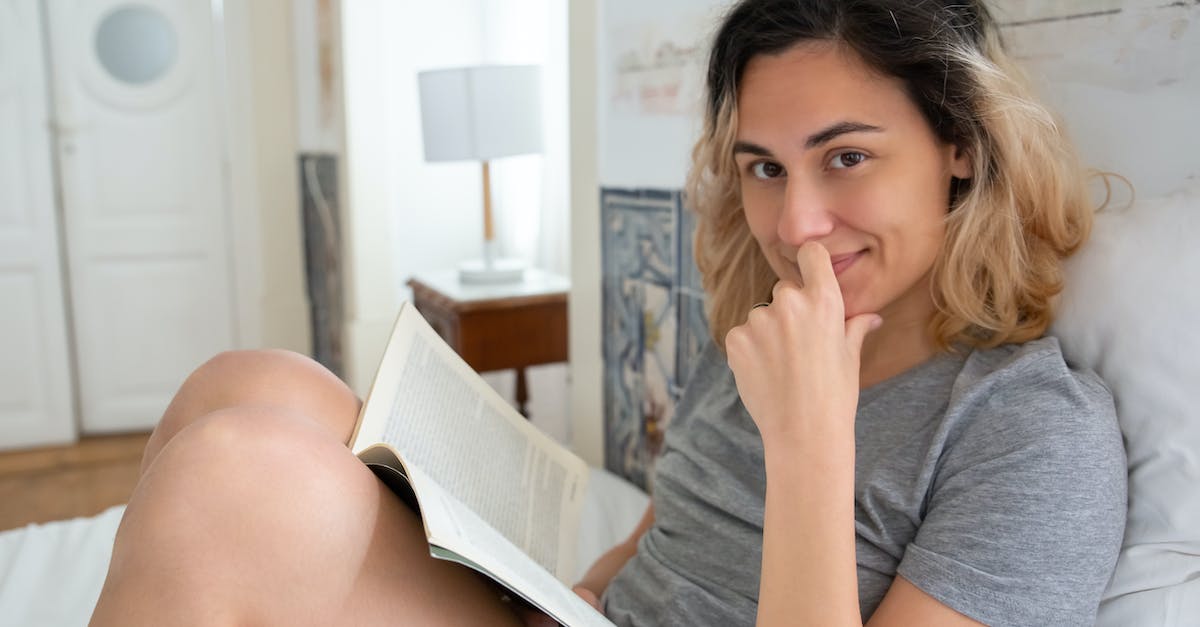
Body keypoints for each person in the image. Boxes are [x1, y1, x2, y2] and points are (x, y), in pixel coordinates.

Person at [91, 0, 1126, 625]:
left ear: (961, 145)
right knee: (247, 384)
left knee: (238, 480)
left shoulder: (1030, 433)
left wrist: (814, 444)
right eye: (764, 167)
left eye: (846, 157)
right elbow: (672, 530)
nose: (796, 222)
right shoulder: (770, 329)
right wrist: (582, 587)